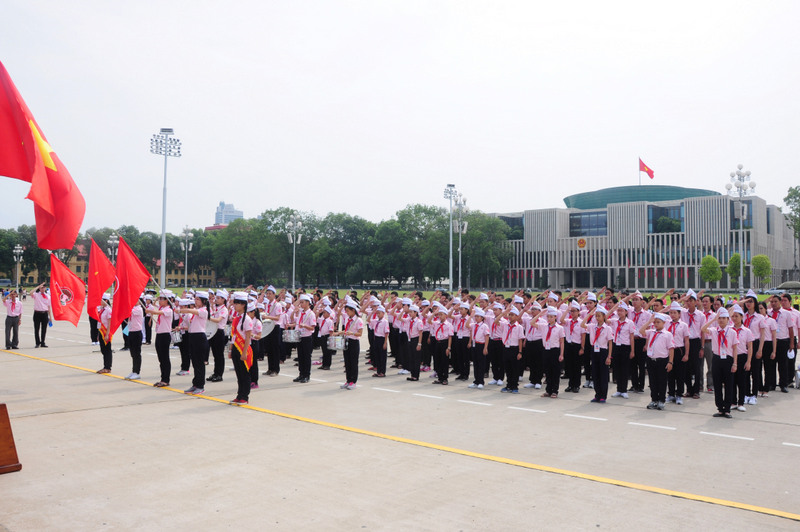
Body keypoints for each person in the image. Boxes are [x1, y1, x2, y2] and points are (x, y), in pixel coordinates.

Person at [702, 308, 738, 418]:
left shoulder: (732, 332)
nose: (721, 320)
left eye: (724, 318)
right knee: (717, 384)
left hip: (728, 359)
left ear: (728, 319)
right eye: (720, 318)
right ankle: (720, 408)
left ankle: (727, 409)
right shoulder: (714, 330)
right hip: (717, 358)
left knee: (728, 384)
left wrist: (735, 363)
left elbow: (735, 348)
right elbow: (703, 329)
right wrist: (713, 319)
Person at [177, 291, 211, 395]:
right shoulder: (196, 310)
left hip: (199, 337)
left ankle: (200, 386)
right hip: (192, 336)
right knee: (195, 362)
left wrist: (181, 309)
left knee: (199, 363)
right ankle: (195, 384)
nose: (195, 301)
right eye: (195, 299)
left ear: (203, 301)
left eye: (197, 299)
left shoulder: (204, 311)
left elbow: (190, 311)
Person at [640, 312, 674, 411]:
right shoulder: (651, 332)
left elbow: (671, 348)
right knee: (653, 381)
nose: (656, 324)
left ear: (664, 323)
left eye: (658, 322)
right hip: (651, 360)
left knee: (662, 381)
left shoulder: (667, 334)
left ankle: (661, 400)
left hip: (662, 360)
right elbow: (641, 331)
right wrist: (649, 322)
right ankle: (654, 399)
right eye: (655, 322)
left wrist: (670, 362)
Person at [581, 306, 613, 403]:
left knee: (603, 374)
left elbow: (610, 343)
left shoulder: (607, 328)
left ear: (604, 316)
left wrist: (609, 356)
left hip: (603, 351)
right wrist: (589, 315)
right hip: (594, 351)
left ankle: (603, 395)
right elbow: (582, 325)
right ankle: (597, 394)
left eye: (599, 316)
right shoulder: (592, 326)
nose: (597, 318)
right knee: (595, 374)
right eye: (596, 316)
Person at [229, 293, 254, 405]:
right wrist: (230, 350)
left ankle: (245, 396)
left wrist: (244, 353)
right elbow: (233, 336)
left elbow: (248, 337)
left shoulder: (247, 319)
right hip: (235, 348)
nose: (234, 305)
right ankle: (239, 395)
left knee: (244, 374)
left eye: (237, 303)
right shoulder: (236, 318)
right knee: (239, 374)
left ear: (243, 305)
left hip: (243, 349)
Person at [146, 290, 174, 387]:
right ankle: (163, 378)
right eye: (160, 299)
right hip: (159, 334)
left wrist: (149, 311)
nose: (160, 301)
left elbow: (156, 311)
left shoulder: (168, 310)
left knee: (165, 358)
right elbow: (155, 306)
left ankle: (166, 379)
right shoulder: (162, 308)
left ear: (168, 300)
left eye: (162, 299)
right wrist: (157, 299)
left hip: (165, 335)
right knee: (161, 358)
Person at [729, 305, 754, 412]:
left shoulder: (747, 331)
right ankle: (733, 402)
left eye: (737, 316)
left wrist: (748, 361)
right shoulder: (728, 330)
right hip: (731, 358)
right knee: (732, 381)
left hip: (742, 357)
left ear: (742, 317)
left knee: (742, 381)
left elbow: (750, 347)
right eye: (733, 316)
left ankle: (740, 403)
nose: (734, 318)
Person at [609, 302, 635, 399]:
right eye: (618, 310)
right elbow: (605, 317)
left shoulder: (630, 323)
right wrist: (614, 307)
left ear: (626, 312)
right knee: (617, 369)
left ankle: (624, 390)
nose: (619, 312)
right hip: (616, 346)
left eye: (622, 310)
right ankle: (618, 389)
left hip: (625, 347)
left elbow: (631, 338)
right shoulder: (614, 321)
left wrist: (632, 351)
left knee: (624, 369)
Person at [335, 300, 363, 390]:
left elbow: (360, 333)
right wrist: (340, 332)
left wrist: (352, 333)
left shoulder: (358, 320)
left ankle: (353, 381)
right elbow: (346, 330)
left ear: (353, 310)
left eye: (348, 311)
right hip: (346, 341)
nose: (346, 313)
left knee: (353, 362)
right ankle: (348, 380)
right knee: (347, 362)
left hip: (354, 342)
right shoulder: (348, 319)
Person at [665, 302, 690, 405]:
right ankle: (671, 394)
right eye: (671, 312)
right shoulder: (666, 323)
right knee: (670, 374)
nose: (672, 315)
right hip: (668, 351)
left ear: (679, 314)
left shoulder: (683, 325)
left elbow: (687, 340)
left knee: (680, 374)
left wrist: (686, 354)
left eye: (675, 313)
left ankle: (679, 395)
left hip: (679, 350)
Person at [539, 307, 566, 398]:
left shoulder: (559, 328)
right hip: (546, 350)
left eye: (551, 317)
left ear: (555, 317)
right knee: (548, 371)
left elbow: (562, 341)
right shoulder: (544, 326)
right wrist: (540, 314)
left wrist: (561, 354)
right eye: (548, 316)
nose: (549, 318)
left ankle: (555, 391)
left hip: (555, 350)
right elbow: (532, 323)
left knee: (555, 371)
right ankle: (548, 390)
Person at [500, 308, 525, 394]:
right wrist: (504, 313)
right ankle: (508, 385)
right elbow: (496, 321)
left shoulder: (519, 327)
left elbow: (520, 340)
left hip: (514, 349)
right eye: (509, 315)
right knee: (508, 368)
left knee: (515, 368)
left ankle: (515, 386)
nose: (510, 316)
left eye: (512, 315)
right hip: (506, 348)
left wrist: (520, 352)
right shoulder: (505, 325)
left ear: (517, 316)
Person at [207, 290, 229, 383]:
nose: (216, 299)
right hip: (213, 331)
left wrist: (208, 317)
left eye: (218, 298)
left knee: (219, 355)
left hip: (219, 332)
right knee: (215, 354)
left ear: (223, 299)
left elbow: (218, 320)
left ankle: (219, 374)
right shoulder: (216, 308)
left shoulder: (224, 309)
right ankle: (215, 373)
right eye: (216, 298)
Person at [293, 294, 316, 383]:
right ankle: (301, 374)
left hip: (307, 337)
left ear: (307, 303)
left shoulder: (311, 314)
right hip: (300, 336)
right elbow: (298, 324)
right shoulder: (301, 313)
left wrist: (305, 326)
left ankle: (306, 375)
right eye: (301, 302)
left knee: (306, 357)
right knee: (300, 357)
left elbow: (312, 328)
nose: (301, 304)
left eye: (302, 302)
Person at [758, 300, 778, 397]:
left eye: (761, 308)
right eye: (758, 309)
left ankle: (766, 388)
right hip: (758, 344)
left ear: (766, 309)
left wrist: (774, 351)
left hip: (768, 344)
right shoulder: (756, 320)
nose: (760, 310)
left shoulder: (771, 320)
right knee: (758, 368)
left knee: (768, 367)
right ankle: (760, 387)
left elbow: (774, 336)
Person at [467, 308, 489, 389]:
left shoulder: (484, 326)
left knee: (481, 364)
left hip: (481, 345)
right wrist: (471, 316)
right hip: (474, 345)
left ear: (482, 317)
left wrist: (485, 348)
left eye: (478, 317)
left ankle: (481, 381)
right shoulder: (473, 325)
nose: (476, 318)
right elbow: (467, 325)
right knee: (475, 364)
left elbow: (487, 337)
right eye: (475, 316)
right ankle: (476, 381)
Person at [125, 296, 145, 380]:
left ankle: (137, 372)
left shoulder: (138, 309)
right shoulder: (133, 308)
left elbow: (127, 311)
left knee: (137, 353)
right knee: (132, 353)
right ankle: (133, 371)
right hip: (131, 332)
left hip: (137, 333)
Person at [31, 282, 52, 348]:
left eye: (43, 288)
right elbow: (31, 292)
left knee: (44, 329)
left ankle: (43, 342)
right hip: (37, 313)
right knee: (36, 329)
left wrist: (50, 316)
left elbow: (48, 307)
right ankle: (37, 342)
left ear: (45, 288)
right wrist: (38, 286)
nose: (42, 289)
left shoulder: (48, 296)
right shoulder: (36, 295)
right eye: (41, 288)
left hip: (44, 313)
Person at [96, 293, 113, 374]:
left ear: (106, 300)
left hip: (106, 332)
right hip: (101, 331)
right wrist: (98, 334)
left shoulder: (109, 310)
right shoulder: (101, 309)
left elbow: (110, 323)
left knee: (107, 350)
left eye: (101, 300)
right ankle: (105, 366)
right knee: (103, 350)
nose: (100, 301)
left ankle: (108, 367)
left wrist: (107, 334)